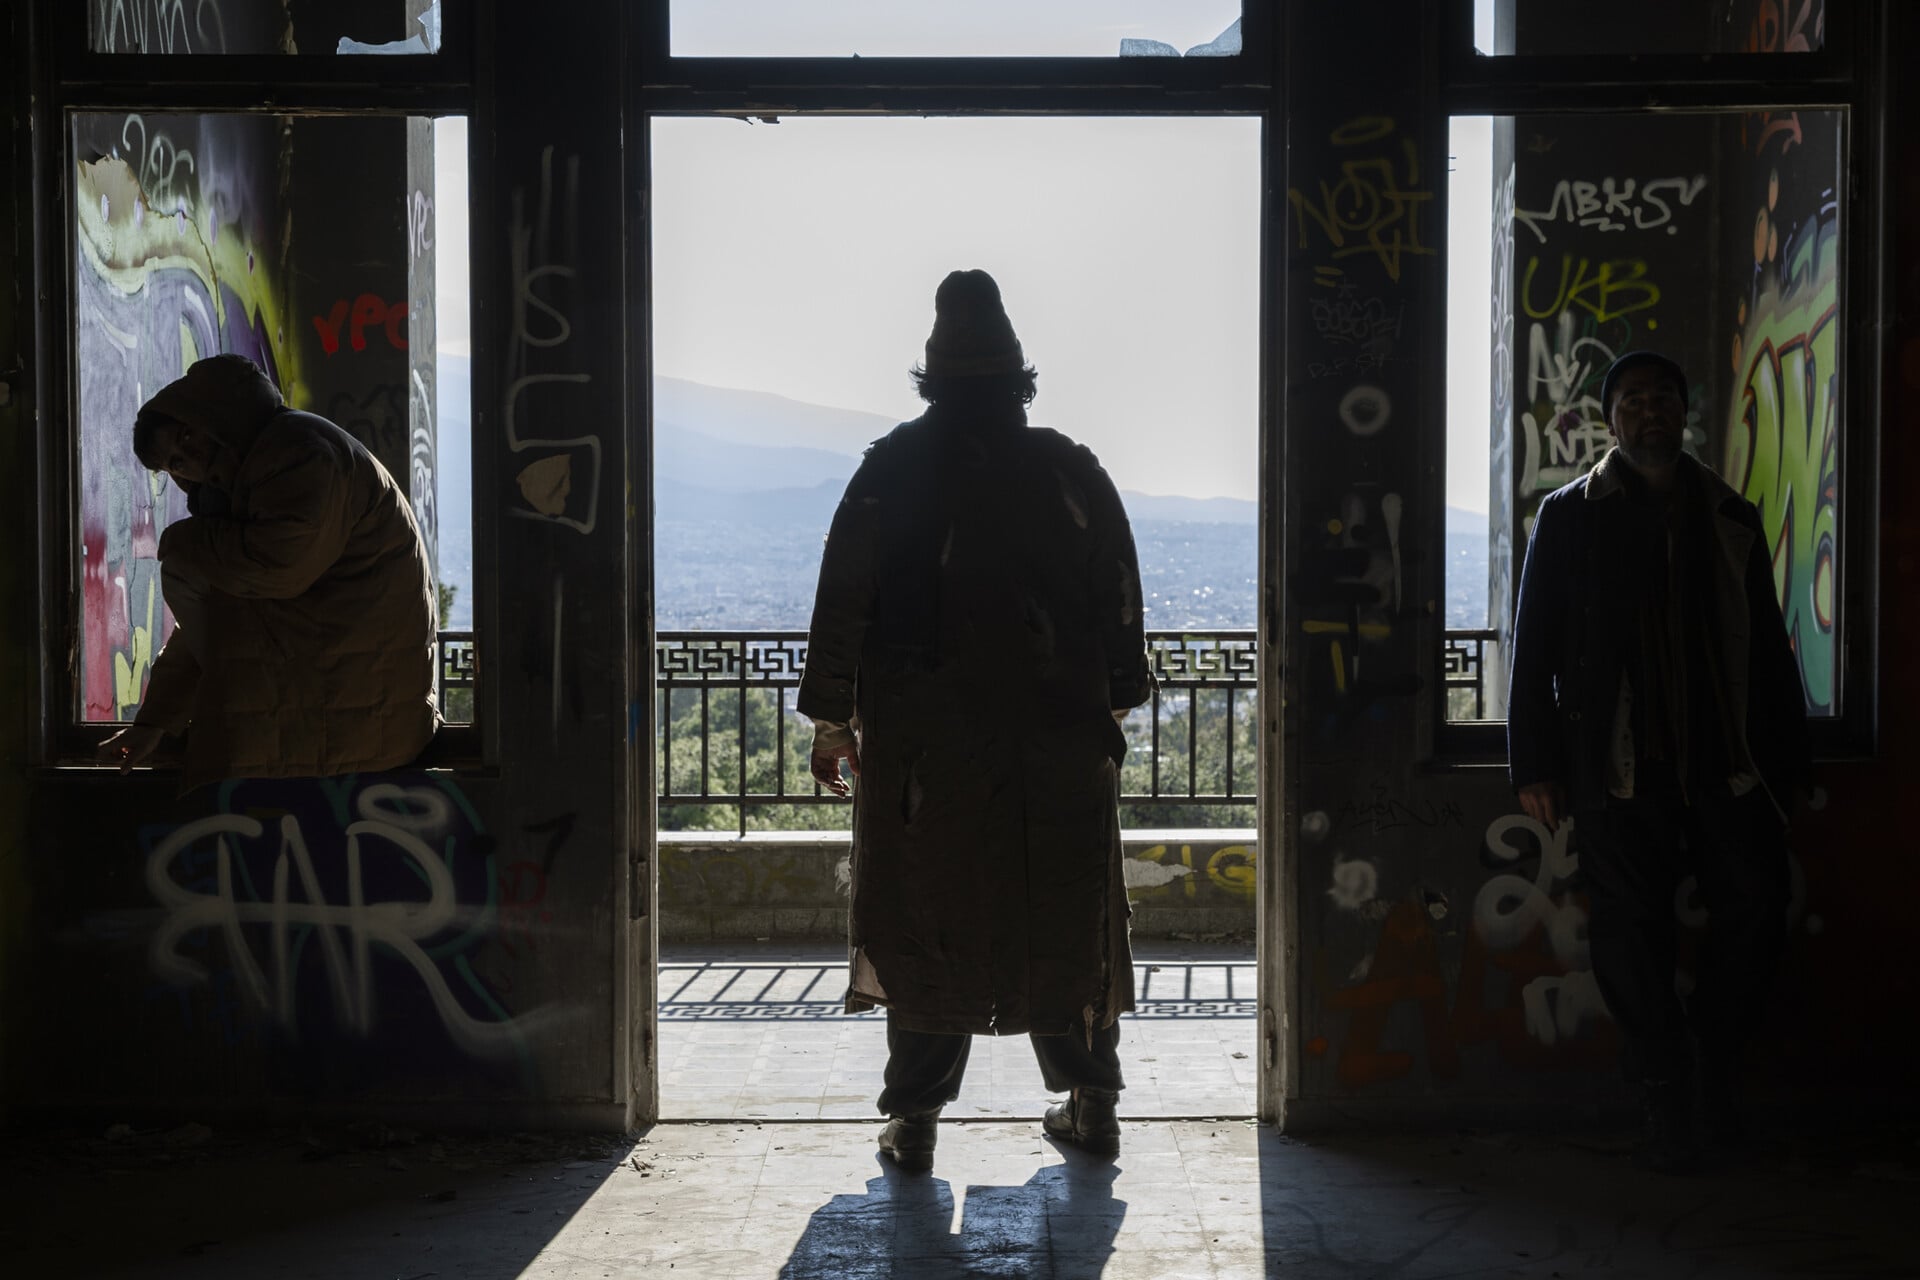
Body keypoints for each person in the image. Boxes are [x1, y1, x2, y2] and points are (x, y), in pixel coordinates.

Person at [797, 270, 1154, 1172]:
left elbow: (842, 604)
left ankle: (916, 1118)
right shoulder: (1070, 471)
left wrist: (833, 724)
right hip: (1058, 747)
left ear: (933, 377)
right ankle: (1093, 1104)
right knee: (1065, 918)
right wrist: (1108, 703)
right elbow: (1118, 601)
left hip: (926, 756)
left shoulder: (890, 473)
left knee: (927, 916)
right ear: (1017, 378)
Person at [1507, 351, 1810, 1172]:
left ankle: (1711, 1065)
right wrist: (1533, 762)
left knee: (1758, 903)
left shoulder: (1729, 512)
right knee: (1629, 932)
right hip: (1618, 765)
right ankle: (1665, 1089)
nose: (1651, 411)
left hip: (1724, 761)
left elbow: (1769, 647)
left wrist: (1789, 762)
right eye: (1634, 400)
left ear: (1684, 413)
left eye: (1664, 398)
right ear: (1612, 420)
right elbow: (1534, 646)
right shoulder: (1570, 516)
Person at [97, 353, 438, 792]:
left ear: (214, 415)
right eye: (176, 463)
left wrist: (183, 544)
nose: (189, 457)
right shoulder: (266, 466)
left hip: (355, 714)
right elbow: (222, 617)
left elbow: (279, 570)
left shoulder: (298, 453)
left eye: (186, 435)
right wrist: (155, 722)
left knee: (184, 565)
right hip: (357, 710)